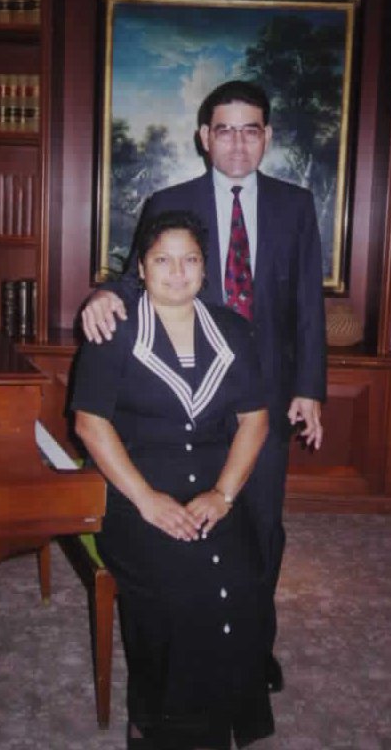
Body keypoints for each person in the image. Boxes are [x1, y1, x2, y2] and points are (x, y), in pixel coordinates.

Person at [81, 80, 327, 692]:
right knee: (184, 526)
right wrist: (103, 295)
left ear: (267, 137)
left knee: (259, 525)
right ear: (204, 137)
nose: (238, 143)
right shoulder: (169, 199)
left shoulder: (295, 205)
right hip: (184, 393)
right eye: (225, 130)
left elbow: (308, 304)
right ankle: (187, 639)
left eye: (250, 130)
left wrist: (310, 387)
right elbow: (137, 274)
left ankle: (253, 647)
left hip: (261, 397)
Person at [72, 210, 274, 749]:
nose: (178, 271)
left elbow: (255, 420)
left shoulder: (232, 331)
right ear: (141, 268)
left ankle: (222, 722)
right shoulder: (113, 329)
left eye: (190, 260)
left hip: (214, 490)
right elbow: (90, 424)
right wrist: (148, 501)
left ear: (205, 269)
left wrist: (223, 495)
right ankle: (157, 724)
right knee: (181, 595)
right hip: (134, 493)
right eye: (163, 259)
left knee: (244, 586)